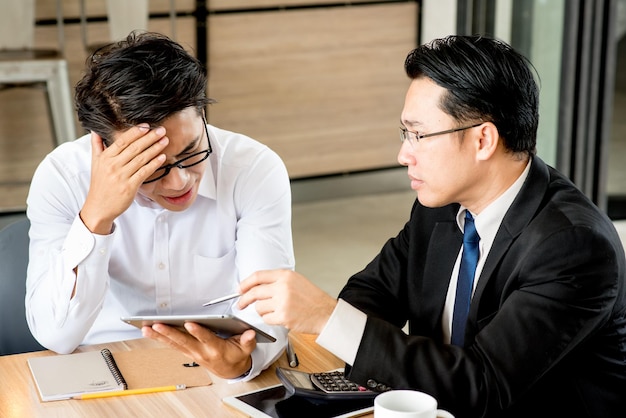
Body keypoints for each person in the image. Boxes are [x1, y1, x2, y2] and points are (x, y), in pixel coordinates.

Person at [237, 35, 626, 416]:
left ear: (483, 140)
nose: (404, 154)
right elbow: (374, 290)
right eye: (406, 134)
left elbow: (483, 386)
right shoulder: (441, 203)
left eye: (419, 134)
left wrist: (328, 317)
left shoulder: (574, 245)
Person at [25, 32, 294, 381]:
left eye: (191, 151)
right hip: (101, 366)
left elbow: (269, 317)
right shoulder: (62, 177)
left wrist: (245, 361)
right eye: (152, 167)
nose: (178, 181)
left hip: (217, 367)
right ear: (103, 149)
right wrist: (96, 217)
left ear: (202, 115)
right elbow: (56, 335)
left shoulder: (253, 168)